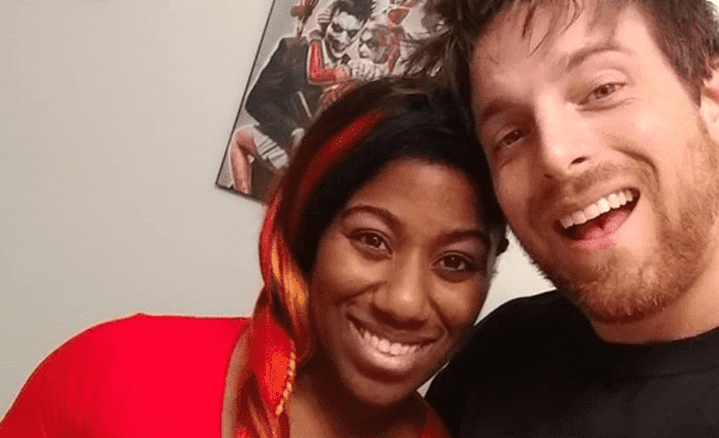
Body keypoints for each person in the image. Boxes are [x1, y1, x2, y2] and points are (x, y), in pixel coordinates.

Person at [406, 0, 719, 435]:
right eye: (511, 135)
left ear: (715, 100)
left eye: (602, 90)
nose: (555, 156)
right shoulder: (500, 355)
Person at [0, 77, 508, 438]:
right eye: (372, 240)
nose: (404, 302)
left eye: (456, 262)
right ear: (309, 234)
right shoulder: (113, 372)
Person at [230, 0, 375, 197]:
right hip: (265, 178)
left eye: (352, 33)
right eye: (337, 28)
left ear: (361, 31)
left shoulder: (355, 74)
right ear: (328, 20)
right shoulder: (293, 50)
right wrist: (293, 132)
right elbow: (256, 101)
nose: (342, 40)